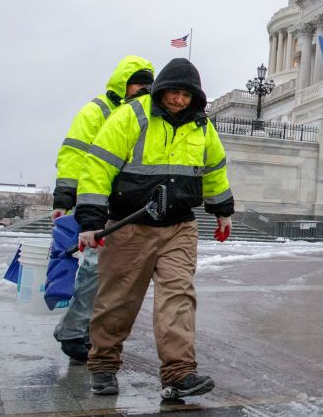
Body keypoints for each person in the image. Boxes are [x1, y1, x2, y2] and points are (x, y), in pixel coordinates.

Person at [74, 58, 234, 399]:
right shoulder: (131, 116)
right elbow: (98, 167)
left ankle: (179, 373)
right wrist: (90, 219)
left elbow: (215, 171)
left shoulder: (203, 127)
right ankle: (103, 365)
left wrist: (223, 211)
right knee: (119, 300)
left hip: (179, 227)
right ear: (161, 89)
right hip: (129, 226)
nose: (178, 100)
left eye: (186, 95)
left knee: (178, 298)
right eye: (173, 92)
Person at [51, 56, 155, 364]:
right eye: (139, 84)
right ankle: (73, 332)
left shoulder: (142, 115)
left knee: (107, 272)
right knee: (96, 268)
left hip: (123, 203)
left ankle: (74, 327)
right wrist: (64, 200)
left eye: (149, 85)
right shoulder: (96, 111)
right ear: (123, 84)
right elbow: (73, 153)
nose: (144, 90)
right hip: (94, 200)